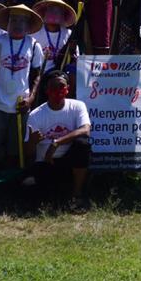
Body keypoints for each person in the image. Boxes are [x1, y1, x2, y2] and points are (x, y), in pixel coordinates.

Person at [0, 4, 45, 171]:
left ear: (28, 25)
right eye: (13, 20)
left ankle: (12, 182)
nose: (17, 24)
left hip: (20, 105)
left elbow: (37, 74)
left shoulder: (34, 45)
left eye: (22, 21)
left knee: (15, 151)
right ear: (8, 23)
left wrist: (31, 98)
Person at [23, 70, 92, 212]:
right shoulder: (36, 115)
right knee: (39, 197)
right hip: (46, 162)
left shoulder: (77, 106)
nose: (58, 90)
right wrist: (32, 142)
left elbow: (85, 130)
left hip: (68, 161)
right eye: (54, 87)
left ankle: (77, 195)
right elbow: (28, 153)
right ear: (47, 90)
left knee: (83, 144)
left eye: (61, 86)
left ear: (68, 88)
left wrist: (56, 143)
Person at [32, 0, 77, 73]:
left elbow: (75, 58)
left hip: (60, 74)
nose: (54, 13)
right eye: (51, 10)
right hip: (38, 73)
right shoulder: (35, 32)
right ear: (45, 12)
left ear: (63, 15)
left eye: (58, 11)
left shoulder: (69, 34)